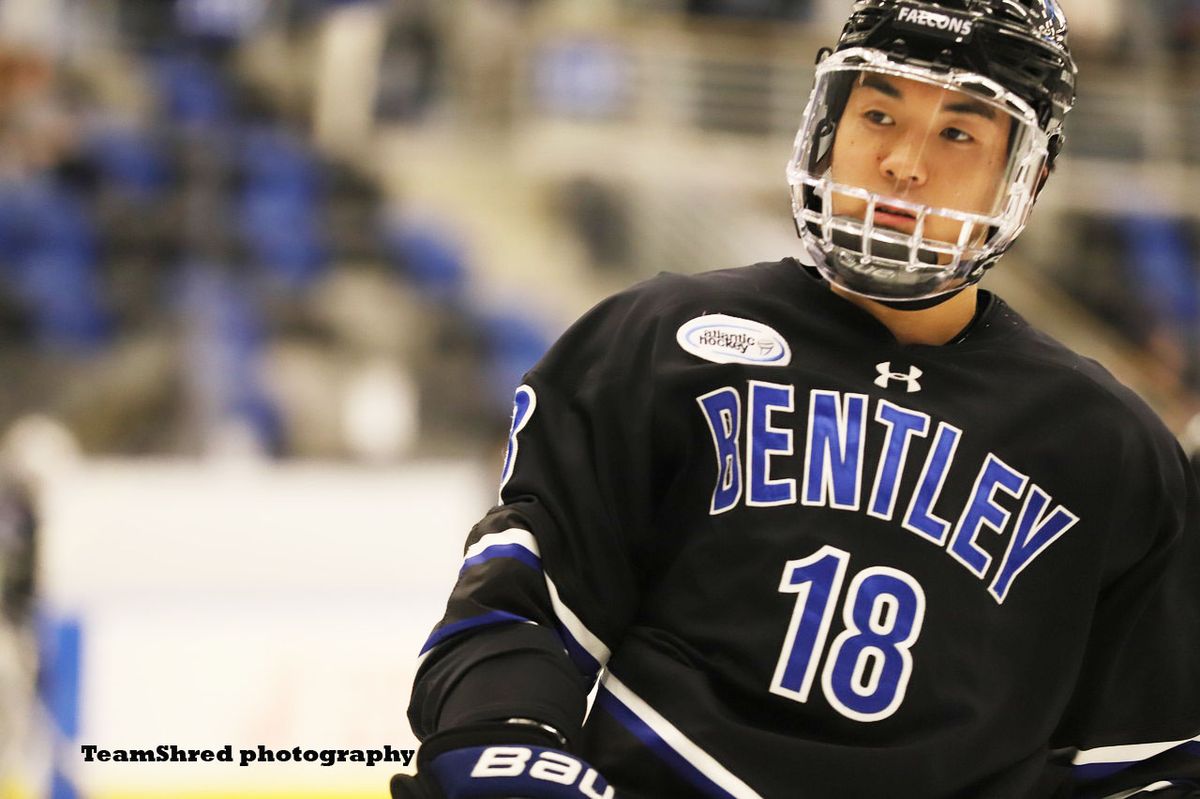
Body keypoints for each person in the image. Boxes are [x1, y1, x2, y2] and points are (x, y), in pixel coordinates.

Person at [391, 1, 1200, 797]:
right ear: (828, 124)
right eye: (879, 115)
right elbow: (527, 605)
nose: (904, 163)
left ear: (1028, 173)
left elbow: (1147, 762)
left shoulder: (1111, 448)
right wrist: (507, 742)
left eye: (958, 134)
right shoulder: (660, 341)